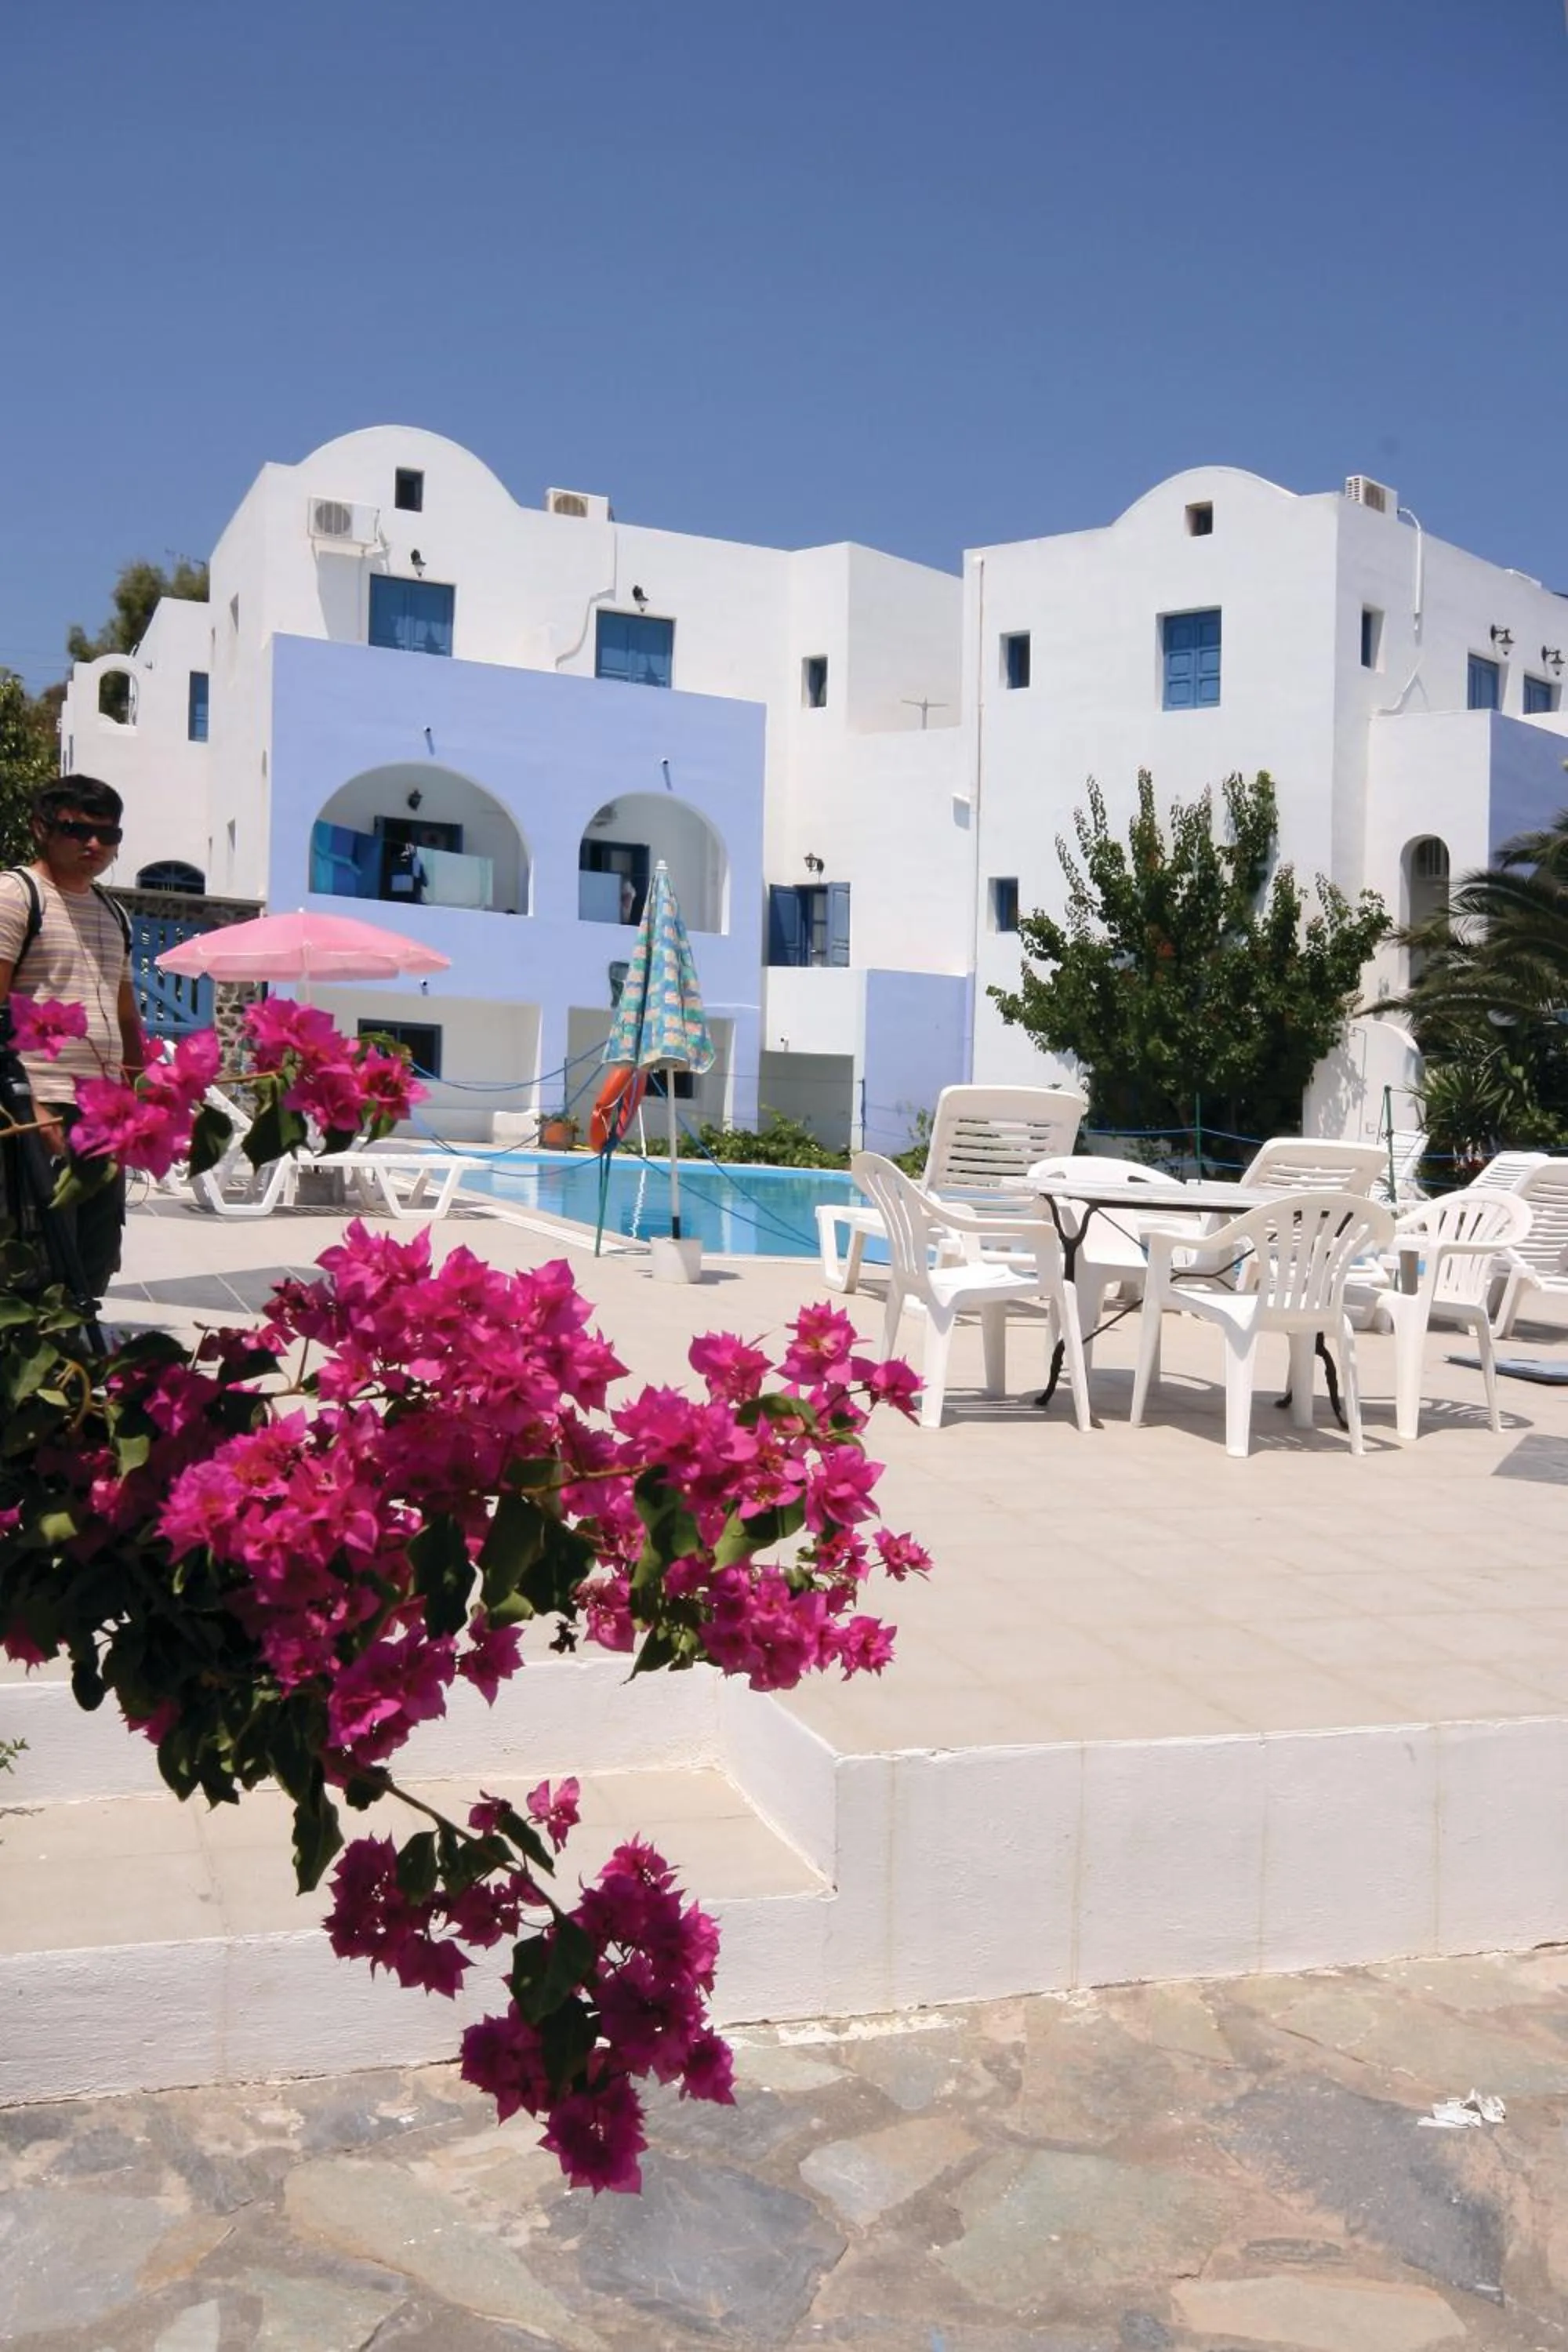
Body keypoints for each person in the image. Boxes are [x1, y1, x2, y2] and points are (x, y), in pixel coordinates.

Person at [0, 776, 146, 1308]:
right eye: (77, 830)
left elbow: (124, 1014)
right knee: (35, 1257)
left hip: (102, 1111)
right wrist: (30, 1108)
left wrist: (143, 1097)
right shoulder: (16, 896)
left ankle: (76, 1351)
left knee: (92, 1255)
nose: (94, 844)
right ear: (41, 828)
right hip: (37, 1104)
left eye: (109, 835)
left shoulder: (113, 912)